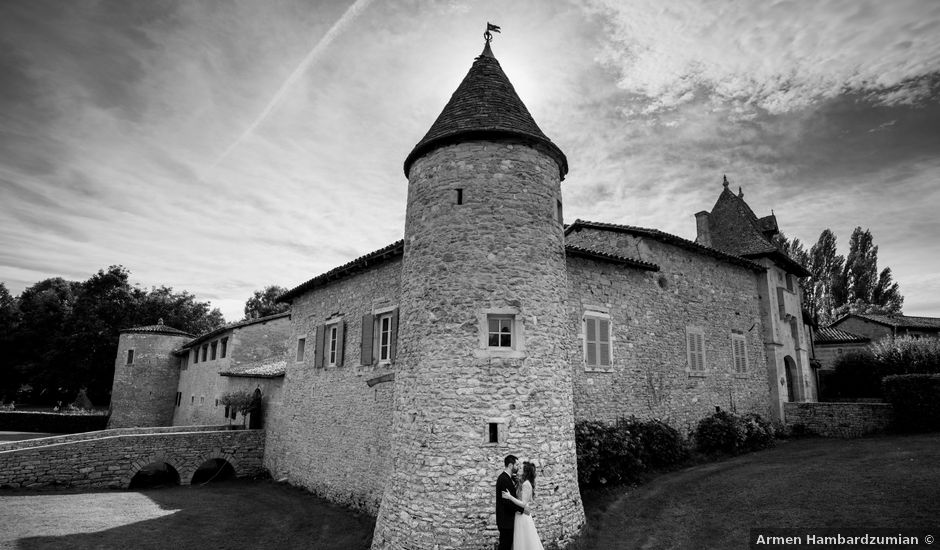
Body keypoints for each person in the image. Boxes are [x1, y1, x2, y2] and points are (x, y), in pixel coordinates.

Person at [501, 461, 543, 550]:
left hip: (523, 515)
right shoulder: (522, 482)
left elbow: (523, 504)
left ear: (525, 472)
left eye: (520, 468)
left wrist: (510, 497)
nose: (518, 468)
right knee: (520, 538)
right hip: (519, 515)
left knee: (524, 539)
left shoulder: (526, 484)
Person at [496, 454, 524, 550]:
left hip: (507, 520)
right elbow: (507, 502)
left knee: (507, 545)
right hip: (505, 520)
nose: (518, 467)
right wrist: (522, 509)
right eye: (517, 465)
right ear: (511, 465)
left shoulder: (508, 478)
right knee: (505, 546)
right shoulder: (503, 479)